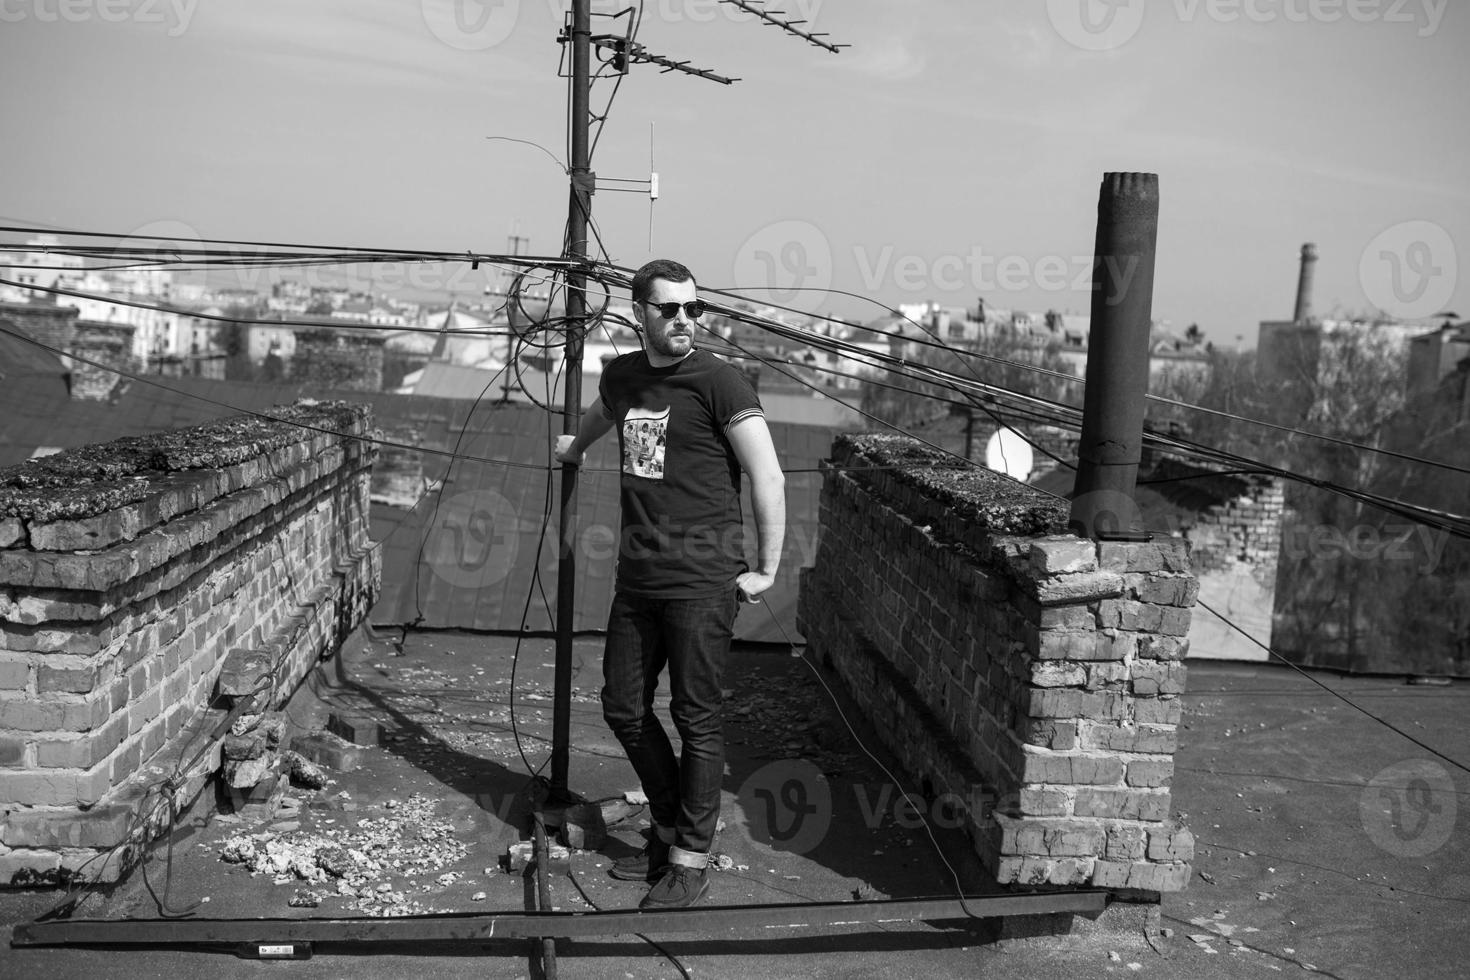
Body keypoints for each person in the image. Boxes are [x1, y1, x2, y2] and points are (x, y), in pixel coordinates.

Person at [555, 258, 786, 910]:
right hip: (640, 578)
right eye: (670, 309)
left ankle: (689, 860)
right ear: (641, 313)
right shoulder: (625, 374)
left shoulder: (719, 382)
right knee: (623, 707)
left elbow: (767, 476)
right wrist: (576, 448)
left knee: (697, 720)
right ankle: (664, 827)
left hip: (702, 582)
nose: (684, 319)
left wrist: (766, 567)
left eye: (693, 309)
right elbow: (607, 413)